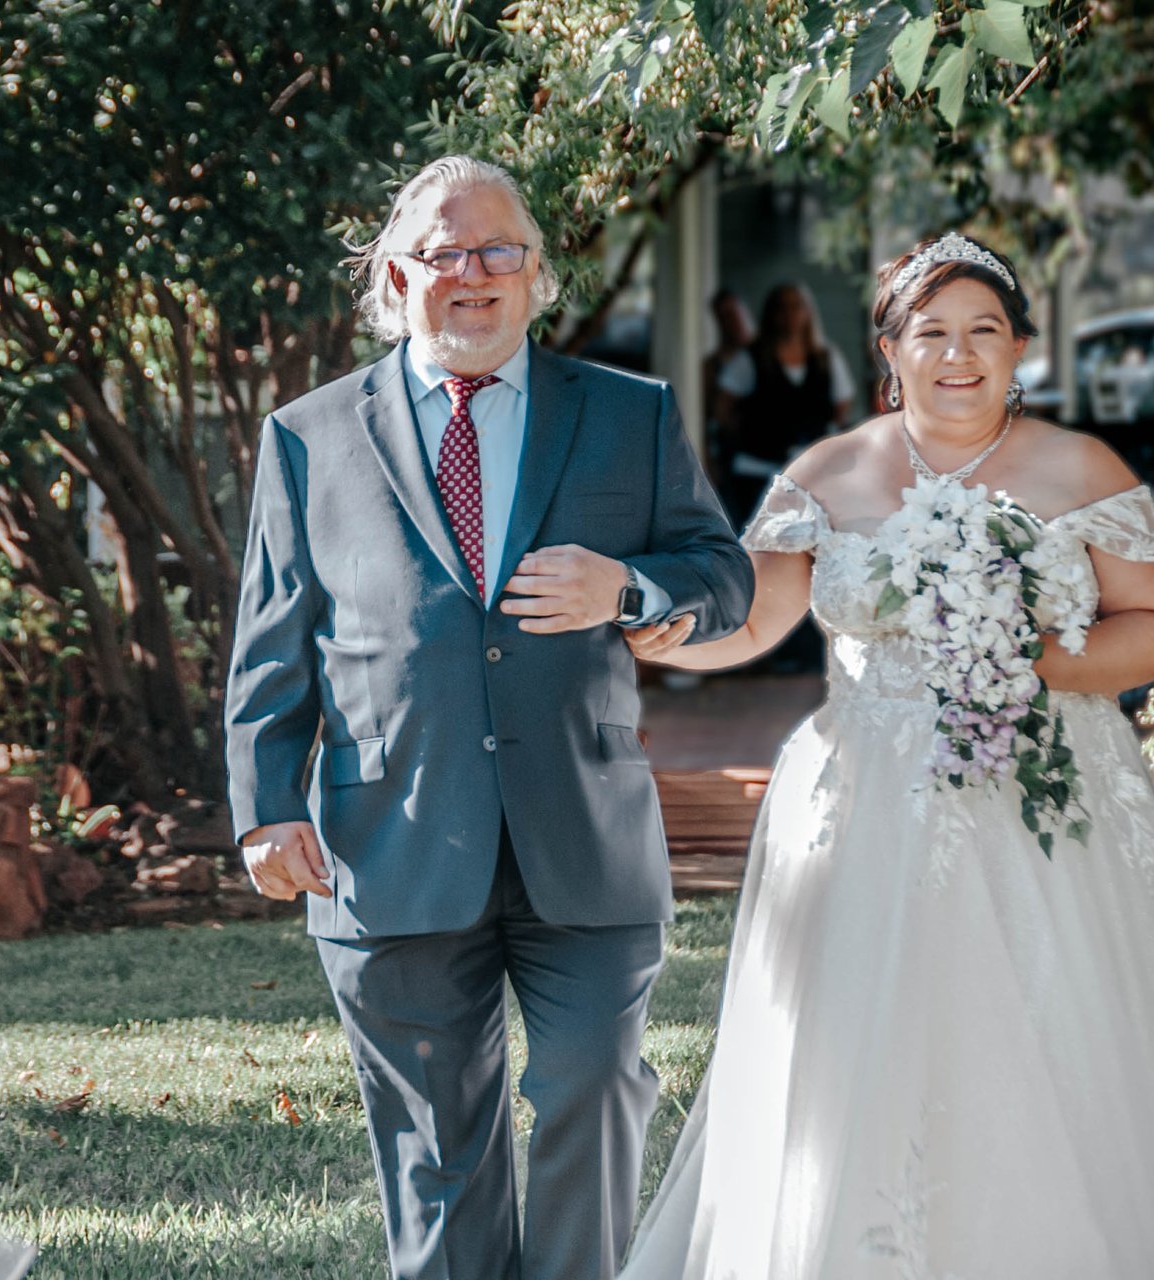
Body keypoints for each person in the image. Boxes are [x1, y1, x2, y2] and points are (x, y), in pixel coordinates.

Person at [616, 233, 1154, 1278]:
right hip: (863, 792)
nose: (957, 355)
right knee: (863, 1040)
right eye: (931, 334)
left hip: (1044, 790)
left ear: (1016, 349)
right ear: (889, 349)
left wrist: (1028, 656)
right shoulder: (827, 472)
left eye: (983, 333)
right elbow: (754, 619)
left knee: (1050, 1022)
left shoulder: (1076, 468)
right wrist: (671, 633)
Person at [222, 155, 754, 1280]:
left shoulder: (629, 414)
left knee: (591, 1086)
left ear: (537, 273)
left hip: (585, 831)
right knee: (436, 1152)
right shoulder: (309, 435)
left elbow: (722, 572)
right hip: (392, 836)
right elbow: (273, 644)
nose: (473, 274)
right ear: (394, 276)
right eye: (444, 253)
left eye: (498, 249)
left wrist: (628, 588)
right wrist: (266, 807)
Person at [716, 281, 856, 526]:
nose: (789, 314)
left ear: (807, 312)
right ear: (771, 314)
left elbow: (842, 404)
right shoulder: (751, 358)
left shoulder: (825, 358)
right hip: (757, 472)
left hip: (810, 473)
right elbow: (723, 406)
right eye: (782, 308)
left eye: (796, 306)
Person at [701, 287, 755, 492]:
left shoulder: (765, 355)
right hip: (731, 455)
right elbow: (705, 417)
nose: (731, 322)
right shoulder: (712, 367)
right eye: (723, 316)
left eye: (734, 313)